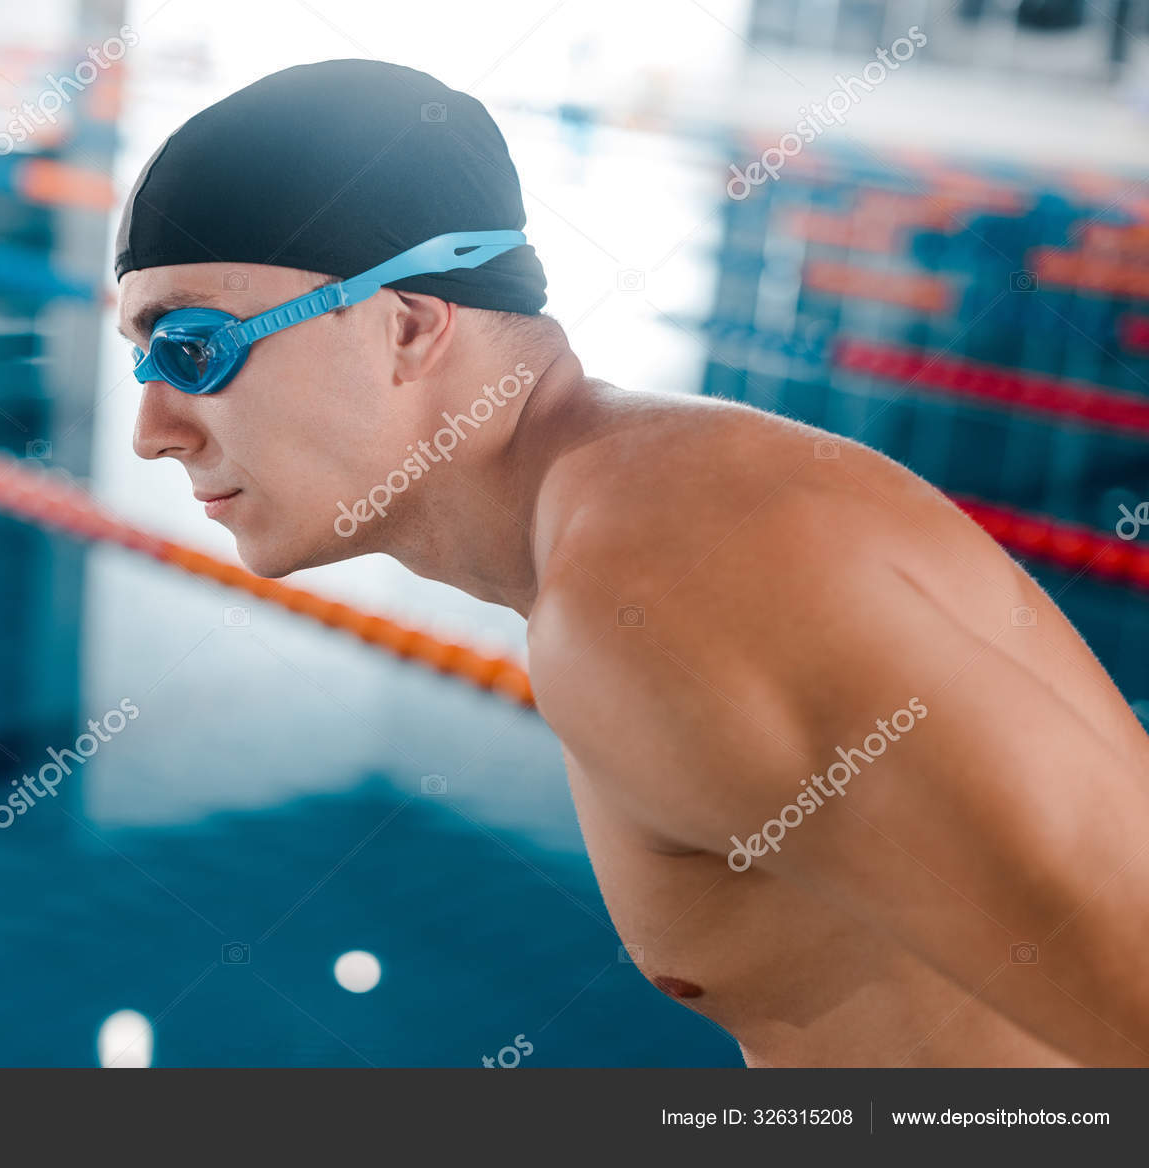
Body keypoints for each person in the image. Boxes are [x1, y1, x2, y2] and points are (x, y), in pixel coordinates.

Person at [113, 59, 1149, 1067]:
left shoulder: (667, 591)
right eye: (139, 358)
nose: (150, 432)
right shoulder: (628, 516)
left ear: (409, 326)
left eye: (193, 350)